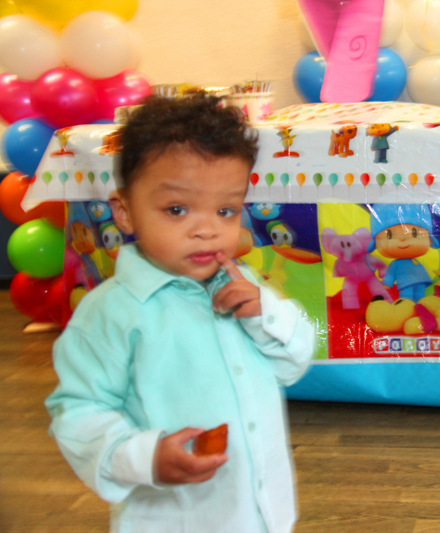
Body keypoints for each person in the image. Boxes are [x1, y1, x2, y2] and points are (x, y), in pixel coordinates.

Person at [46, 93, 316, 533]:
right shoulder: (110, 313)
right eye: (177, 210)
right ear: (125, 212)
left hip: (261, 511)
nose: (207, 229)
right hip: (175, 517)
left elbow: (295, 362)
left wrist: (264, 313)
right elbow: (79, 410)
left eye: (226, 210)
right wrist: (144, 457)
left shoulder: (244, 285)